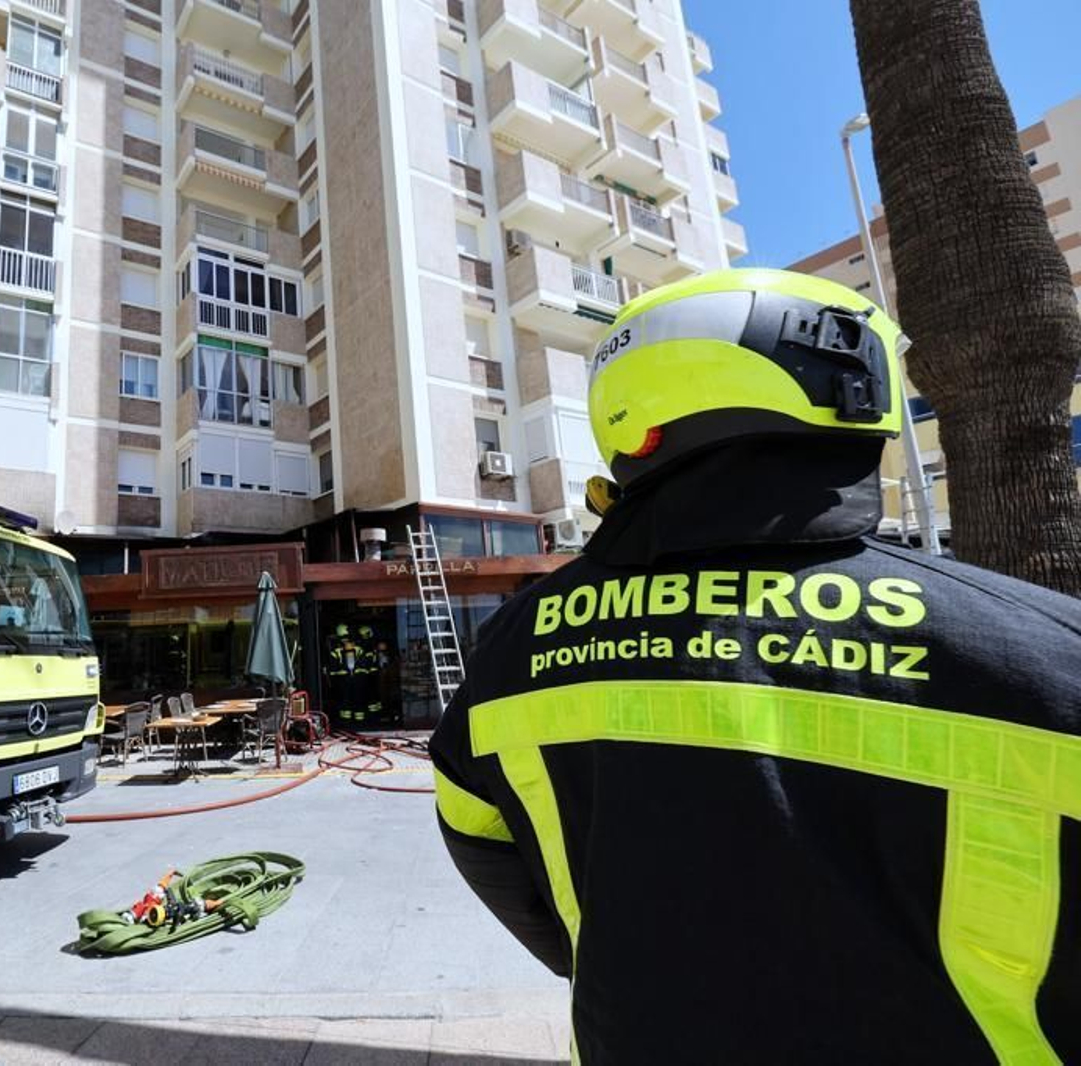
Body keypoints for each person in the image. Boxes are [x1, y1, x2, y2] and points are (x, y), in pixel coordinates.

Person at [430, 268, 1081, 1064]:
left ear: (630, 424)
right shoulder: (1044, 648)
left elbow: (483, 844)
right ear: (858, 410)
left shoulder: (512, 644)